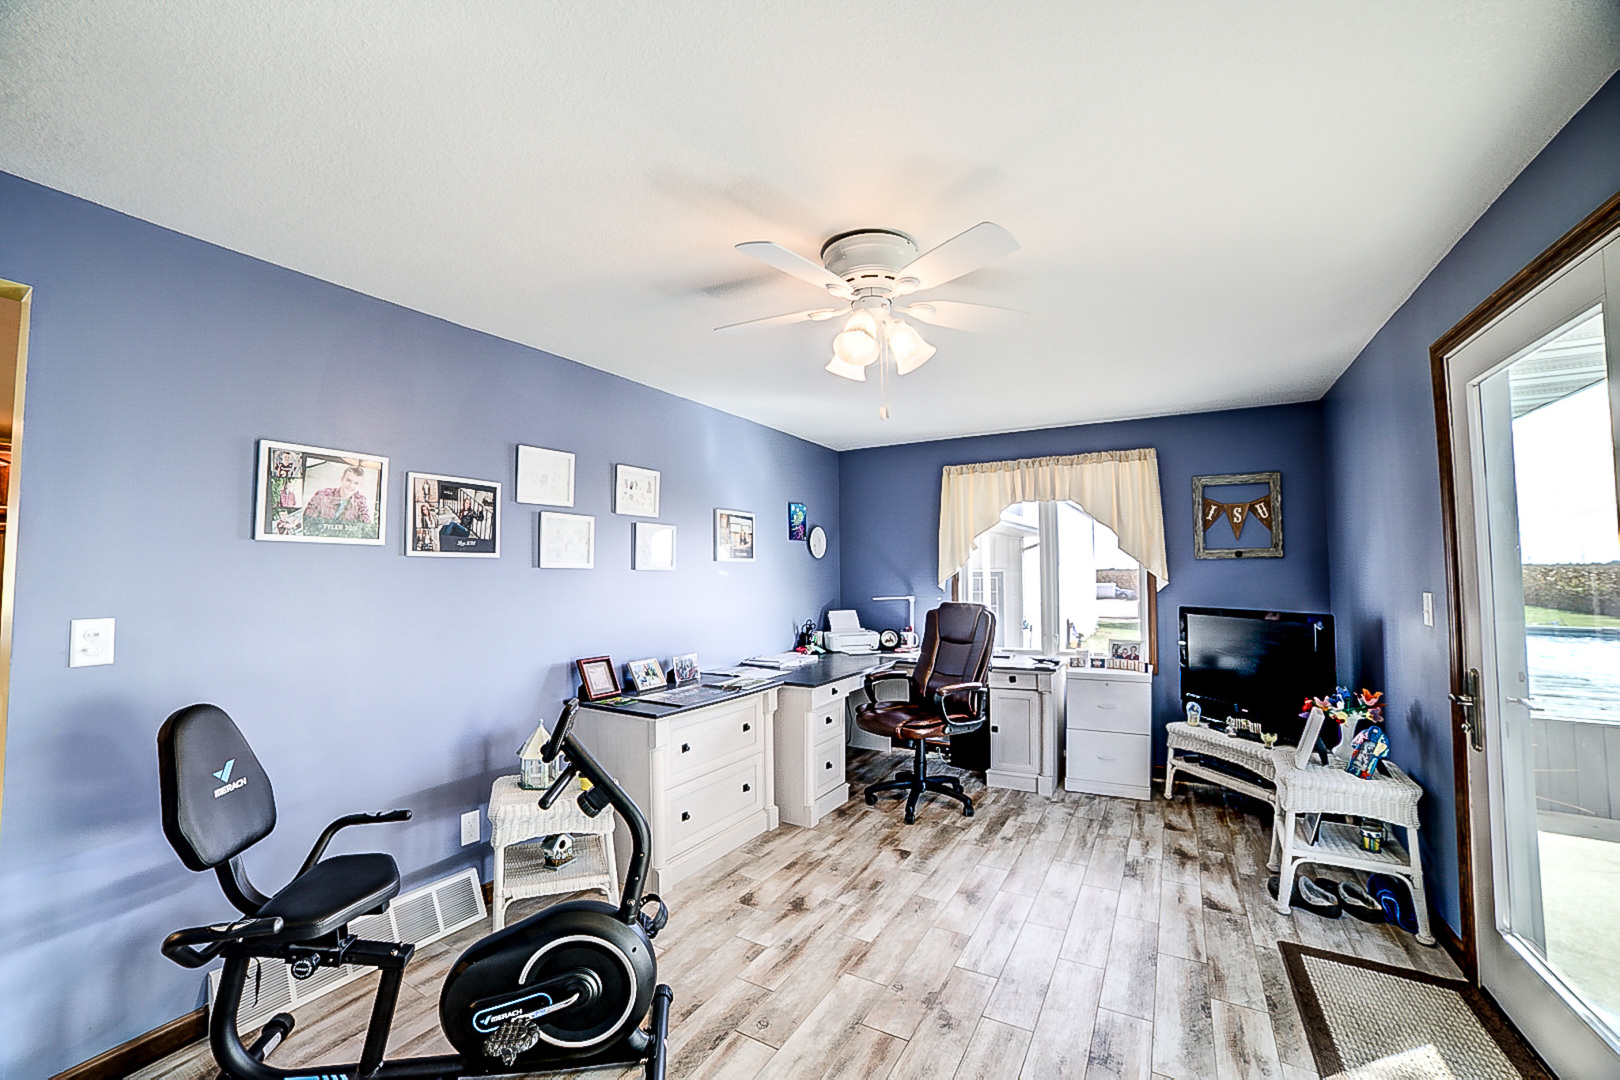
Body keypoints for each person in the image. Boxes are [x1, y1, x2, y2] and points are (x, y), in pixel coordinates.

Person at [302, 465, 373, 528]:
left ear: (360, 486)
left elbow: (365, 526)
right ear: (342, 479)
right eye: (348, 480)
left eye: (356, 483)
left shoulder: (361, 500)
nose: (351, 485)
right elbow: (307, 522)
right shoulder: (322, 495)